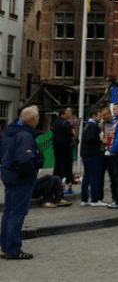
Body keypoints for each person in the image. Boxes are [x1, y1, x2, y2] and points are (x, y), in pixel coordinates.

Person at [1, 105, 43, 260]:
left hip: (8, 173)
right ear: (32, 119)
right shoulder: (24, 135)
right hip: (21, 177)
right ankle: (13, 248)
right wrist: (33, 173)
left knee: (8, 211)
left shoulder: (8, 131)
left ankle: (6, 244)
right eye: (37, 118)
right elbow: (25, 159)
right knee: (17, 213)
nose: (38, 121)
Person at [80, 108, 106, 207]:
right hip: (93, 154)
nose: (101, 118)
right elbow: (92, 139)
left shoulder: (87, 125)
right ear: (94, 116)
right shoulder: (93, 126)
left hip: (85, 154)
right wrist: (101, 142)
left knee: (86, 176)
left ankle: (84, 199)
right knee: (95, 176)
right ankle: (95, 199)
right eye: (99, 116)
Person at [51, 107, 76, 190]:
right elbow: (71, 135)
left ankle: (55, 180)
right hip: (65, 146)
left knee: (58, 164)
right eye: (67, 114)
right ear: (63, 114)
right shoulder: (66, 123)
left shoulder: (55, 122)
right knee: (67, 164)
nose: (69, 116)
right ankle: (67, 181)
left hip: (56, 146)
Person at [99, 106, 117, 204]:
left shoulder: (115, 123)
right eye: (102, 116)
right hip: (102, 152)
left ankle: (115, 197)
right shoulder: (101, 124)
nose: (103, 117)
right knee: (100, 176)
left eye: (105, 115)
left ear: (110, 114)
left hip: (112, 153)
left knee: (113, 177)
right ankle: (99, 197)